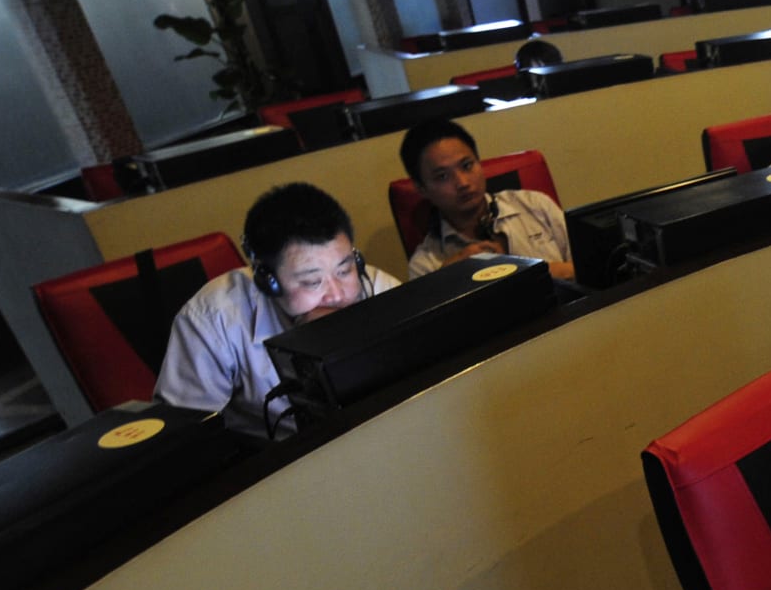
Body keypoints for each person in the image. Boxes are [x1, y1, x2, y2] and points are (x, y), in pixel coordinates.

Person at [155, 182, 399, 438]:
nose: (337, 294)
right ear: (267, 280)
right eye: (312, 282)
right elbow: (185, 434)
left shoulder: (383, 290)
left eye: (344, 270)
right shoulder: (214, 316)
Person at [397, 118, 574, 281]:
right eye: (442, 176)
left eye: (467, 166)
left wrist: (518, 270)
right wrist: (451, 278)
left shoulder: (535, 205)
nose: (462, 183)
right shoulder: (425, 265)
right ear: (421, 188)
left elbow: (590, 267)